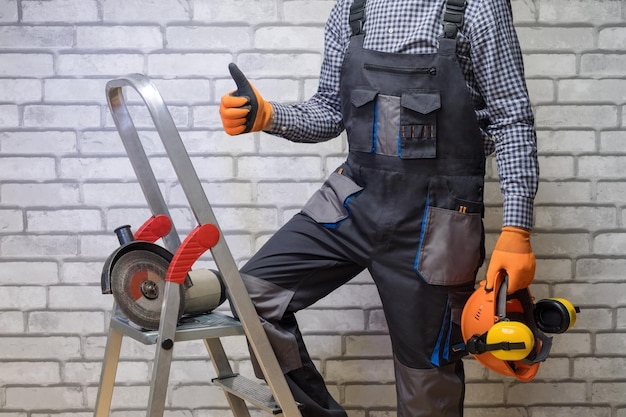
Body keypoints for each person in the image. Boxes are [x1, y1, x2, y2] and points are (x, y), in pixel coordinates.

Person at [219, 0, 539, 416]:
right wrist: (268, 115)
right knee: (253, 297)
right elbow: (330, 111)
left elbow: (511, 118)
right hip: (352, 200)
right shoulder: (352, 9)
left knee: (427, 383)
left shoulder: (477, 7)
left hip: (437, 222)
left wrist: (517, 228)